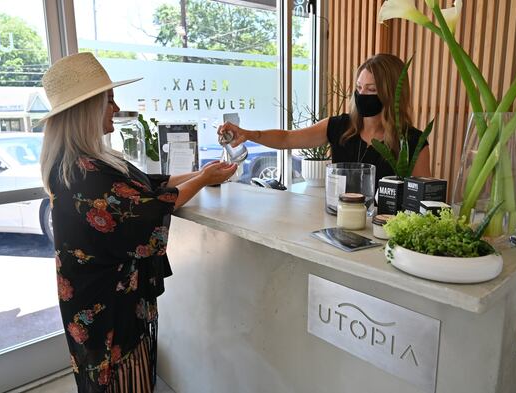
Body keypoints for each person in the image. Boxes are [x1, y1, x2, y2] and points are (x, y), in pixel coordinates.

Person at [39, 52, 236, 393]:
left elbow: (149, 186)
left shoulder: (83, 163)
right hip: (107, 313)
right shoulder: (84, 177)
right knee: (121, 379)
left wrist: (205, 174)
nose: (115, 109)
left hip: (102, 301)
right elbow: (145, 211)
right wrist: (203, 179)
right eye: (109, 101)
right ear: (86, 110)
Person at [218, 53, 431, 183]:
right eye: (358, 88)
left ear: (391, 93)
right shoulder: (340, 126)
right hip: (340, 223)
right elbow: (287, 139)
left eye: (371, 89)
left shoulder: (412, 142)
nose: (362, 95)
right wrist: (247, 135)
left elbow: (424, 196)